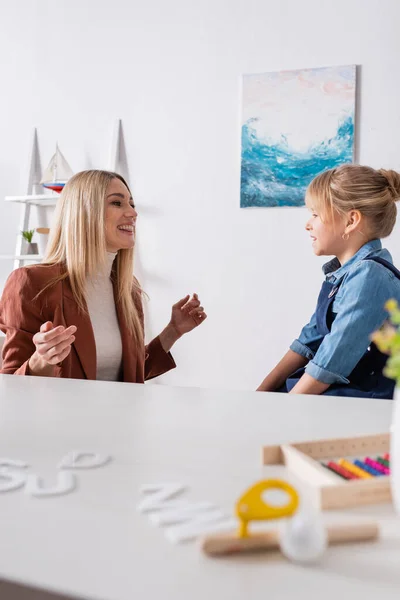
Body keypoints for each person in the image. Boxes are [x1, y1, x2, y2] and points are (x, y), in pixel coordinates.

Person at [0, 170, 207, 382]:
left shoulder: (128, 289)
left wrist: (173, 331)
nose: (133, 213)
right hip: (62, 415)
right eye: (117, 203)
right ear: (84, 212)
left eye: (132, 204)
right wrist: (42, 360)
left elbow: (129, 375)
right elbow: (11, 386)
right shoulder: (30, 283)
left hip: (121, 415)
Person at [257, 164, 400, 399]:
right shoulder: (347, 275)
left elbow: (329, 364)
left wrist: (280, 410)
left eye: (315, 213)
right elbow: (307, 342)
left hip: (374, 401)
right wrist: (260, 396)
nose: (308, 224)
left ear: (351, 220)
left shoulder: (369, 277)